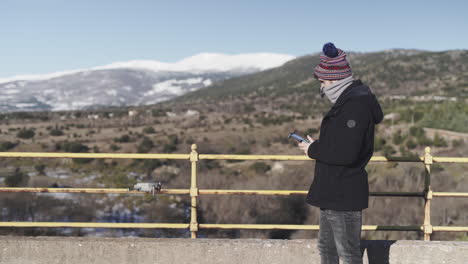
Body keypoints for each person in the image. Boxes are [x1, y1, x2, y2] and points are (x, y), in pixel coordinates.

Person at [298, 42, 383, 264]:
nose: (322, 89)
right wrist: (318, 146)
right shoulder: (349, 102)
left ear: (336, 80)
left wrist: (313, 149)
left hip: (343, 194)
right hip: (334, 192)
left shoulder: (355, 105)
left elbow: (347, 153)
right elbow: (342, 143)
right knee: (328, 250)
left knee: (347, 254)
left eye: (324, 82)